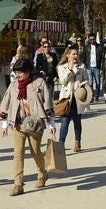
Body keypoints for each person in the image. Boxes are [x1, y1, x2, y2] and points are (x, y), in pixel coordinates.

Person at [0, 59, 57, 196]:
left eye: (20, 72)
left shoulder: (39, 83)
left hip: (35, 125)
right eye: (16, 72)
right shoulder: (14, 85)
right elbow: (5, 103)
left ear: (28, 71)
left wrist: (51, 123)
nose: (17, 75)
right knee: (17, 154)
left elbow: (48, 103)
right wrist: (4, 124)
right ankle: (18, 184)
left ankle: (42, 174)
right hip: (18, 124)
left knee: (35, 152)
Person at [57, 45, 89, 152]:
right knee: (65, 121)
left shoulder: (82, 66)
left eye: (77, 54)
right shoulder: (61, 67)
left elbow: (86, 80)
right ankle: (61, 144)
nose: (76, 56)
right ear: (68, 55)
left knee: (77, 121)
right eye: (73, 54)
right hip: (67, 98)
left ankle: (77, 142)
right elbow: (63, 81)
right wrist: (71, 70)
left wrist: (82, 86)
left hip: (78, 97)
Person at [84, 33, 104, 102]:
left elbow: (102, 58)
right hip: (89, 67)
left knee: (98, 82)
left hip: (97, 67)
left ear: (95, 39)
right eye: (91, 39)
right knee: (90, 83)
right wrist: (85, 66)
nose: (92, 40)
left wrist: (101, 68)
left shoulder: (100, 47)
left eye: (93, 39)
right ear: (89, 40)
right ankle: (91, 97)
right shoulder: (86, 47)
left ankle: (97, 96)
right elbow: (85, 57)